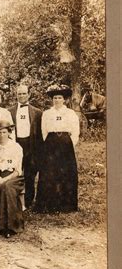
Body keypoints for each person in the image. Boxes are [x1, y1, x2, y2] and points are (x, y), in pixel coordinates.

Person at [35, 84, 80, 213]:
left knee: (66, 173)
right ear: (52, 99)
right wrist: (50, 143)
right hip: (51, 145)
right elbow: (44, 132)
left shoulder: (71, 114)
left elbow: (76, 132)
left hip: (66, 145)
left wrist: (68, 144)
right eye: (55, 98)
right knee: (50, 173)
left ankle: (66, 205)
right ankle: (49, 204)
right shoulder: (47, 113)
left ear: (64, 99)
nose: (57, 100)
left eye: (60, 97)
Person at [0, 120, 24, 238]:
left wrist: (4, 179)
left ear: (9, 133)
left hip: (13, 176)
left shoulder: (16, 147)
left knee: (7, 188)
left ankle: (11, 226)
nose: (1, 135)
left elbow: (17, 170)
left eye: (4, 132)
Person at [8, 84, 43, 209]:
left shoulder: (38, 112)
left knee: (30, 173)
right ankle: (14, 200)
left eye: (24, 93)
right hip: (16, 144)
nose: (21, 96)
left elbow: (40, 133)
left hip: (31, 145)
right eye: (19, 94)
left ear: (29, 94)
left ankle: (28, 201)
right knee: (14, 172)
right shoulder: (9, 112)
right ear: (16, 95)